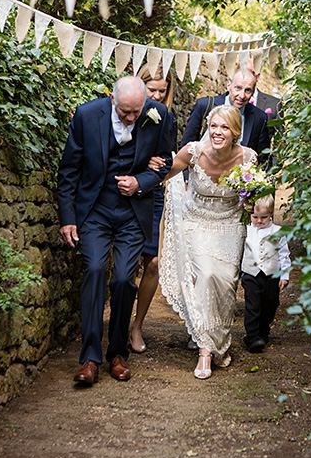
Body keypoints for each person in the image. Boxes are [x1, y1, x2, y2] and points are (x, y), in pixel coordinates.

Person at [57, 76, 173, 386]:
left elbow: (165, 164)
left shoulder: (158, 116)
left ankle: (118, 353)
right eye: (125, 112)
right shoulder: (86, 115)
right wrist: (68, 218)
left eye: (137, 112)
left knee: (123, 279)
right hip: (95, 208)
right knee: (94, 269)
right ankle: (90, 359)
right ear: (112, 101)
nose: (132, 118)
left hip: (133, 211)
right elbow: (69, 170)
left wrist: (140, 183)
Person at [159, 105, 256, 379]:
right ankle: (205, 349)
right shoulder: (193, 151)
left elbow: (251, 199)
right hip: (197, 222)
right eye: (213, 126)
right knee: (206, 275)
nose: (217, 132)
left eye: (224, 127)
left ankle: (220, 344)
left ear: (235, 132)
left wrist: (252, 200)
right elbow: (165, 173)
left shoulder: (248, 158)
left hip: (230, 225)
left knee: (226, 285)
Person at [129, 70, 176, 354]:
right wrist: (145, 160)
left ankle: (137, 326)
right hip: (124, 193)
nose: (157, 96)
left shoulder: (164, 115)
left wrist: (158, 165)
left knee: (153, 262)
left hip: (153, 195)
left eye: (162, 90)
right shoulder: (124, 108)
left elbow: (168, 160)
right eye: (152, 89)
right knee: (125, 265)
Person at [179, 68, 271, 165]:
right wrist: (186, 178)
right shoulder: (204, 106)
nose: (242, 95)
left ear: (253, 92)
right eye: (238, 88)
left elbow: (262, 159)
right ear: (229, 85)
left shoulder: (259, 117)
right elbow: (186, 147)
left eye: (247, 90)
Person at [240, 194, 291, 353]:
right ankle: (252, 337)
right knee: (252, 305)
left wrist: (284, 274)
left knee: (271, 303)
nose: (259, 221)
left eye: (263, 217)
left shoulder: (278, 231)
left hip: (271, 274)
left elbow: (284, 253)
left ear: (270, 214)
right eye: (255, 217)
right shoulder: (246, 229)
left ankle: (263, 330)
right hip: (251, 273)